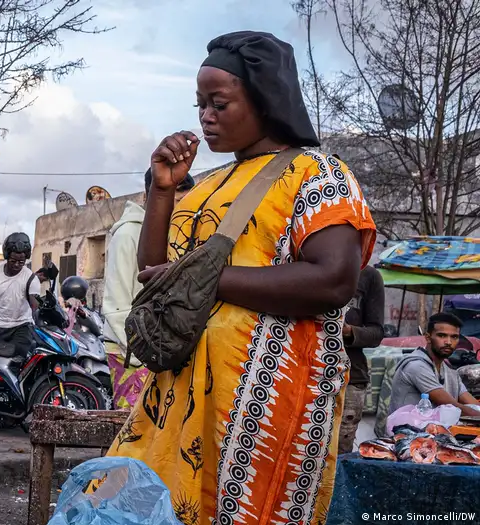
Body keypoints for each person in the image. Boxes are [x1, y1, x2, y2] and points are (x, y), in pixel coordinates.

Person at [105, 31, 376, 525]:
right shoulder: (209, 184)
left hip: (259, 406)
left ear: (264, 101)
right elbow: (158, 276)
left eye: (219, 103)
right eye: (200, 104)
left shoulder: (318, 175)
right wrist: (163, 193)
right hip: (179, 397)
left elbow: (334, 279)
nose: (205, 116)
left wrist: (211, 281)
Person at [101, 170, 195, 409]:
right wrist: (139, 353)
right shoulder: (127, 235)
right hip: (131, 351)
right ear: (149, 196)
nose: (179, 209)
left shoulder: (175, 233)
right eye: (174, 201)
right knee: (130, 431)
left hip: (160, 352)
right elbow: (117, 305)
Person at [388, 313, 480, 419]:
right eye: (442, 336)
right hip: (407, 432)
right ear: (428, 338)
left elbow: (471, 402)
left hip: (438, 431)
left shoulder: (449, 370)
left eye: (454, 337)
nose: (449, 342)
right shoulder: (416, 366)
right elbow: (452, 406)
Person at [338, 265, 385, 454]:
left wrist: (350, 332)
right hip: (305, 373)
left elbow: (376, 333)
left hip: (350, 377)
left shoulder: (368, 275)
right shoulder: (305, 263)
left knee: (341, 451)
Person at [0, 233, 41, 359]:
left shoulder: (31, 279)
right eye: (13, 261)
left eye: (21, 262)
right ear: (7, 257)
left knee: (18, 358)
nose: (17, 265)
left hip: (22, 326)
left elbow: (35, 305)